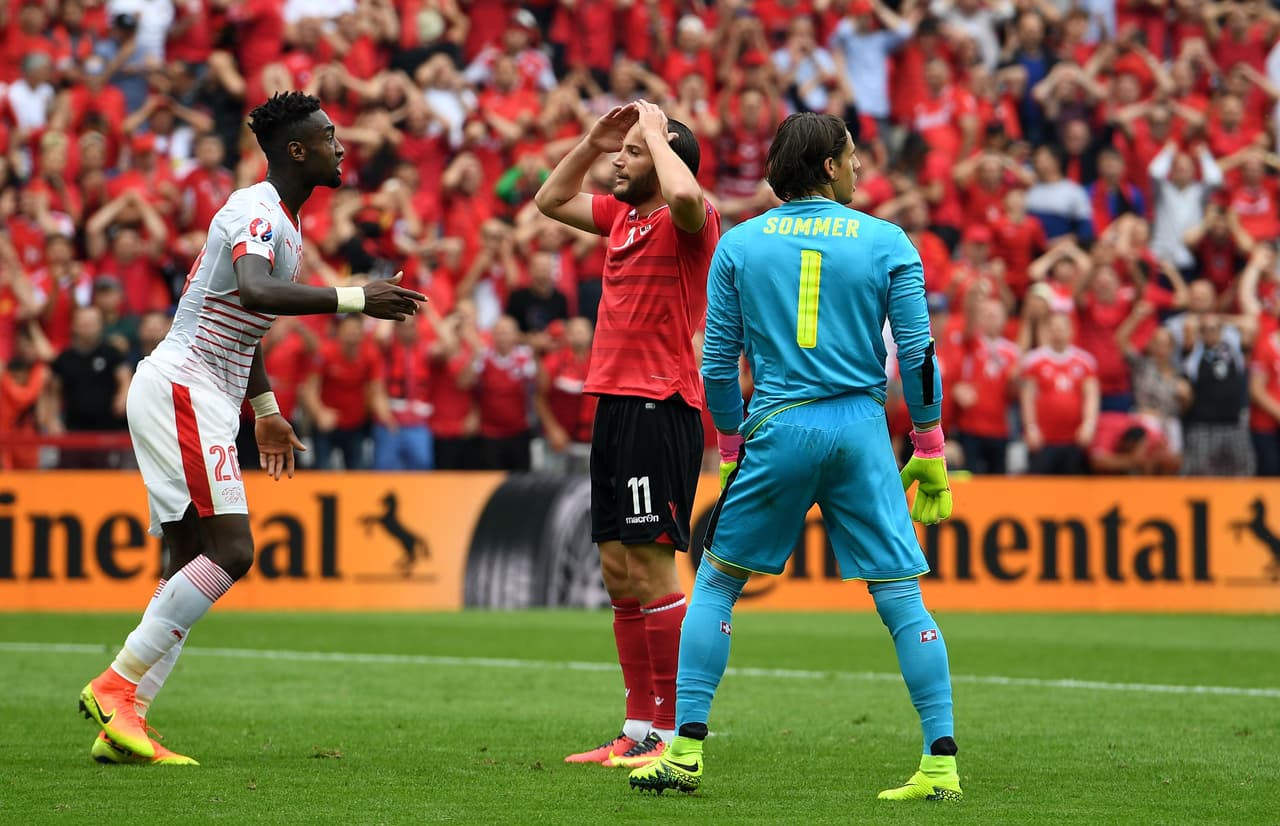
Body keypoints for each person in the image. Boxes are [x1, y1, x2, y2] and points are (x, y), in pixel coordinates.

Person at [77, 92, 425, 766]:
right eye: (328, 136)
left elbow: (249, 321)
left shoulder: (282, 226)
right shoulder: (253, 211)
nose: (341, 144)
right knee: (233, 552)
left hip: (200, 390)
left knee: (187, 562)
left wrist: (264, 413)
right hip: (184, 386)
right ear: (297, 150)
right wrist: (356, 296)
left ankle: (126, 723)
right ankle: (116, 685)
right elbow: (257, 290)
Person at [628, 112, 960, 802]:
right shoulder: (888, 240)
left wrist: (728, 447)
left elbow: (718, 365)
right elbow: (920, 358)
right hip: (862, 429)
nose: (862, 166)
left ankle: (685, 751)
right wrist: (928, 446)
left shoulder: (741, 244)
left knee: (717, 585)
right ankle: (940, 762)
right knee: (900, 595)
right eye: (853, 154)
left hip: (779, 426)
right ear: (831, 167)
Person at [536, 99, 720, 767]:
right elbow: (550, 198)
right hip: (612, 404)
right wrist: (594, 140)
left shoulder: (688, 219)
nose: (621, 159)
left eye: (634, 152)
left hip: (659, 403)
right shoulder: (621, 218)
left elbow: (685, 191)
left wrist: (656, 131)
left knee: (651, 566)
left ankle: (673, 735)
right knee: (618, 573)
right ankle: (637, 728)